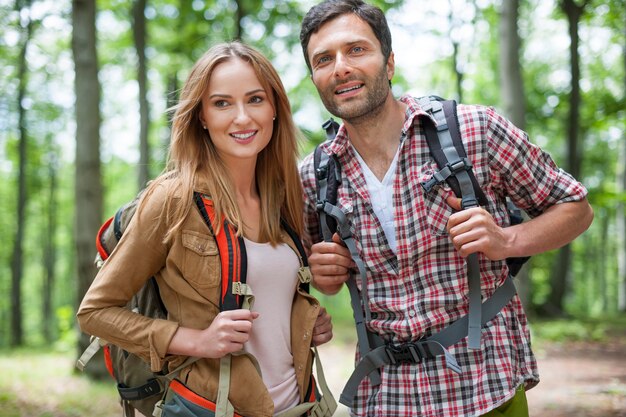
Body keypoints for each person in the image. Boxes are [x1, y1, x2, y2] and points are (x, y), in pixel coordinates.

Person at [297, 1, 594, 416]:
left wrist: (506, 239)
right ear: (314, 77)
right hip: (386, 396)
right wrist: (322, 274)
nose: (340, 67)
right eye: (323, 59)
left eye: (356, 50)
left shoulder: (474, 131)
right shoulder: (314, 175)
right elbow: (306, 272)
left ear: (389, 62)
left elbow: (575, 207)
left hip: (486, 384)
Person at [77, 41, 334, 417]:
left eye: (256, 99)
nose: (242, 117)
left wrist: (307, 320)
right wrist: (197, 340)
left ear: (275, 108)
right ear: (201, 116)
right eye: (222, 103)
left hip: (298, 405)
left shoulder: (283, 198)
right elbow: (94, 311)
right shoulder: (173, 198)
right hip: (208, 407)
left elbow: (271, 303)